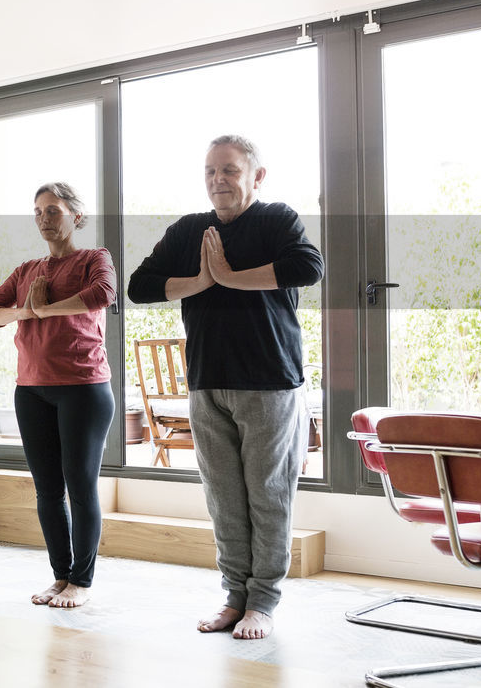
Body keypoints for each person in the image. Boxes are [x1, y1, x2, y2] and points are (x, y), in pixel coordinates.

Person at [127, 134, 323, 639]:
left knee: (268, 495)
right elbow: (140, 286)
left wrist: (229, 276)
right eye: (211, 171)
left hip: (268, 381)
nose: (219, 180)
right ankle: (235, 596)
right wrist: (200, 280)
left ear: (256, 176)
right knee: (223, 498)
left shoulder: (277, 218)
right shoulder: (190, 230)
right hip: (207, 381)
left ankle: (264, 602)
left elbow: (308, 267)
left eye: (230, 170)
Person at [0, 182, 117, 609]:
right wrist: (23, 311)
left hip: (83, 389)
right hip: (31, 390)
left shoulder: (95, 259)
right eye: (37, 212)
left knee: (80, 486)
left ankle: (82, 581)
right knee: (47, 490)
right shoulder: (25, 271)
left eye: (52, 210)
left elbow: (102, 295)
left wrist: (43, 310)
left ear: (75, 215)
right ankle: (60, 575)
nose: (43, 219)